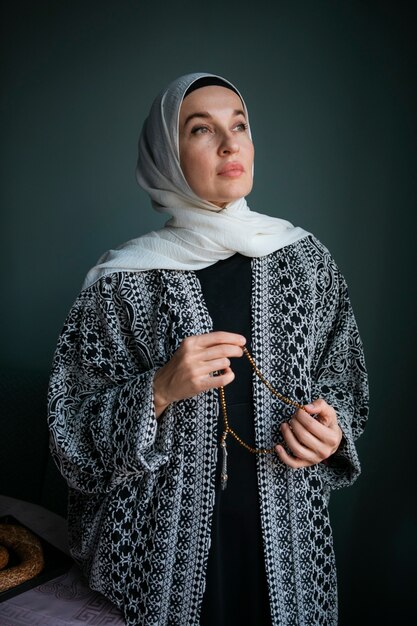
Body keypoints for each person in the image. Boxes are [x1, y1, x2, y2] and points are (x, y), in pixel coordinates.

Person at [47, 72, 369, 626]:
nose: (230, 143)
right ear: (166, 154)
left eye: (239, 125)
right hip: (159, 555)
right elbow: (69, 432)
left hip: (287, 541)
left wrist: (330, 431)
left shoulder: (307, 263)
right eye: (202, 129)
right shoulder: (122, 281)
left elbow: (344, 383)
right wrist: (158, 389)